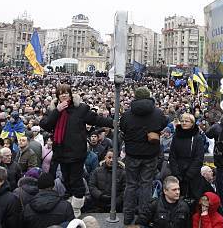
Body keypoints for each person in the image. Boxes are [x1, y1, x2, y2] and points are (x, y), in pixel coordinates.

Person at [39, 84, 113, 218]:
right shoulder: (52, 109)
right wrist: (57, 110)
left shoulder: (81, 108)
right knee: (65, 179)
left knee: (76, 180)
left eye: (66, 92)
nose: (63, 95)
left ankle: (76, 208)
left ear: (70, 94)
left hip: (76, 152)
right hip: (61, 151)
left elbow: (96, 119)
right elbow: (45, 124)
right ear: (57, 95)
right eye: (61, 93)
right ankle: (73, 202)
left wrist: (113, 122)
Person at [119, 86, 168, 226]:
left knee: (131, 185)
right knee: (146, 185)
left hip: (132, 154)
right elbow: (164, 122)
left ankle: (127, 217)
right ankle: (143, 217)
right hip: (150, 155)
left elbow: (123, 127)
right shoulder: (157, 113)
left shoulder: (128, 114)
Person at [169, 113, 205, 202]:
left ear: (192, 123)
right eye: (182, 121)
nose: (184, 123)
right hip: (178, 175)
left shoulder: (197, 138)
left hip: (192, 176)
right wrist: (176, 173)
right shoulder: (176, 137)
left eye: (186, 121)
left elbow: (199, 158)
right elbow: (172, 156)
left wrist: (189, 174)